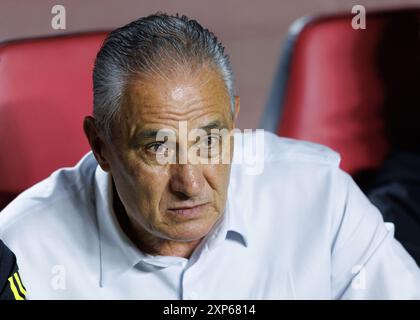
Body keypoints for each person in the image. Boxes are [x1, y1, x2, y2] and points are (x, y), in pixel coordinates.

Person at [0, 13, 419, 299]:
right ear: (100, 146)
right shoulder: (23, 249)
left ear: (235, 118)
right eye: (158, 148)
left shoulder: (320, 196)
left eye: (210, 140)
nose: (191, 183)